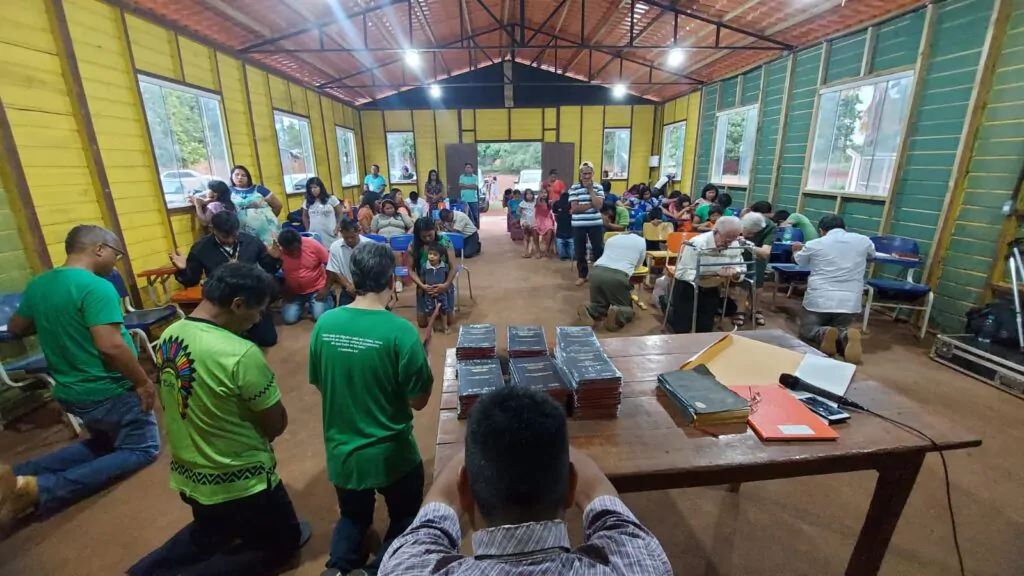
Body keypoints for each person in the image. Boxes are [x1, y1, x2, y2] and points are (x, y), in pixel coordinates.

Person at [128, 263, 309, 575]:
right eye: (259, 311)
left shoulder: (171, 334)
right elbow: (274, 424)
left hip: (190, 474)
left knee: (209, 531)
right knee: (282, 542)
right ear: (237, 305)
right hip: (240, 479)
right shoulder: (239, 352)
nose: (259, 319)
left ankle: (142, 571)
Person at [379, 386, 672, 575]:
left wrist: (482, 446)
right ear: (570, 488)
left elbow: (434, 515)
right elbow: (602, 498)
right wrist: (548, 444)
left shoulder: (405, 567)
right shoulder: (640, 564)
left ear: (466, 491)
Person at [0, 225, 159, 532]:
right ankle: (40, 490)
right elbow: (110, 345)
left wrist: (57, 323)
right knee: (142, 449)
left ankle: (16, 476)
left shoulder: (39, 285)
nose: (116, 260)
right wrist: (142, 381)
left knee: (103, 442)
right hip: (109, 389)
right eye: (116, 253)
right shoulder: (96, 287)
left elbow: (18, 328)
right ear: (99, 249)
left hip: (72, 391)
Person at [309, 241, 434, 576]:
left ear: (354, 276)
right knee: (406, 517)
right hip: (391, 453)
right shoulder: (400, 332)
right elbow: (418, 400)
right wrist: (422, 359)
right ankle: (376, 570)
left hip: (343, 453)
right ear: (391, 279)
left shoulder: (324, 325)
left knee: (353, 516)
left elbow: (322, 383)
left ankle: (337, 569)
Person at [170, 212, 282, 347]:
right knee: (224, 344)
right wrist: (182, 269)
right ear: (212, 229)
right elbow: (192, 280)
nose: (230, 240)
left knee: (268, 340)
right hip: (221, 302)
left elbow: (269, 267)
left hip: (250, 298)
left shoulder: (251, 242)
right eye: (224, 236)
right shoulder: (200, 248)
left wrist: (274, 258)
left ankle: (245, 331)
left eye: (233, 236)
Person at [793, 215, 873, 363]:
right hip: (850, 300)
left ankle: (822, 333)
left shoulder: (814, 244)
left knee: (807, 329)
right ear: (845, 228)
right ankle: (845, 335)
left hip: (820, 298)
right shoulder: (863, 240)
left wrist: (796, 250)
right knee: (840, 326)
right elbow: (872, 254)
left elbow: (800, 261)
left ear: (821, 231)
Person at [667, 215, 746, 334]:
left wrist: (735, 274)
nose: (729, 244)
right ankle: (666, 302)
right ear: (715, 231)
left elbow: (741, 269)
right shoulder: (697, 244)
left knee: (704, 330)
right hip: (688, 287)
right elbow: (681, 273)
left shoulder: (734, 244)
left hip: (712, 289)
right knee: (681, 329)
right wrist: (714, 273)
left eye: (733, 239)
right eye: (726, 240)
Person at [577, 232, 646, 332]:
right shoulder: (641, 241)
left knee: (599, 304)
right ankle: (618, 312)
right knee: (627, 308)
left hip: (596, 272)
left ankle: (589, 308)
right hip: (618, 276)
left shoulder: (612, 239)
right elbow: (639, 264)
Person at [408, 218, 457, 330]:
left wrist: (445, 285)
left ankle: (443, 308)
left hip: (444, 284)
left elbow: (454, 267)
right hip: (424, 285)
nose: (427, 238)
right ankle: (434, 309)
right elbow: (410, 270)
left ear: (435, 229)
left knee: (450, 321)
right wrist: (422, 286)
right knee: (422, 323)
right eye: (423, 236)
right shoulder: (413, 245)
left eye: (430, 235)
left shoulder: (445, 241)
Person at [278, 228, 333, 325]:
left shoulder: (313, 245)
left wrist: (326, 287)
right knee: (289, 319)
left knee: (319, 316)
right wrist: (286, 290)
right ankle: (307, 306)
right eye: (290, 251)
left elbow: (330, 265)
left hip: (317, 288)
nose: (294, 253)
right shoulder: (280, 251)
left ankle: (327, 300)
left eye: (296, 249)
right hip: (295, 292)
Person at [569, 161, 606, 286]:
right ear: (580, 174)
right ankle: (582, 275)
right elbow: (574, 208)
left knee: (598, 250)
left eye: (589, 173)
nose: (586, 176)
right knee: (580, 251)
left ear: (593, 174)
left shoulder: (598, 187)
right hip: (578, 225)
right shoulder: (574, 188)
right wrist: (592, 205)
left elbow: (599, 206)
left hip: (595, 223)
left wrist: (591, 191)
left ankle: (599, 275)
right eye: (584, 173)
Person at [228, 164, 283, 246]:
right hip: (243, 232)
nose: (240, 177)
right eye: (237, 175)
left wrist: (267, 219)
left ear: (248, 178)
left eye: (243, 175)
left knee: (273, 252)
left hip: (268, 231)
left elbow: (277, 205)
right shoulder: (228, 191)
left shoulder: (259, 189)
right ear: (232, 177)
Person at [327, 219, 371, 307]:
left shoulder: (370, 245)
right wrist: (348, 286)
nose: (349, 240)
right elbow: (335, 271)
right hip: (347, 289)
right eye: (346, 238)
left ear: (358, 231)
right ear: (341, 233)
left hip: (368, 288)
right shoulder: (335, 247)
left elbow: (373, 270)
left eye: (352, 237)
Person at [302, 176, 345, 249]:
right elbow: (305, 216)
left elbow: (340, 213)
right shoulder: (307, 202)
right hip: (315, 234)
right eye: (310, 188)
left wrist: (338, 226)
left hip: (331, 233)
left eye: (315, 187)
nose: (313, 190)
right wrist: (307, 229)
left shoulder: (331, 199)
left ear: (320, 187)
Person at [420, 243, 451, 334]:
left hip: (441, 292)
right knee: (429, 310)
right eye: (430, 254)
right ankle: (431, 328)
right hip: (428, 292)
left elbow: (447, 278)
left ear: (440, 256)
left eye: (435, 254)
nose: (432, 257)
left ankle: (445, 326)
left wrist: (445, 287)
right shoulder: (424, 266)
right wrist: (422, 287)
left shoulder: (445, 267)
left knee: (444, 309)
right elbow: (422, 278)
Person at [552, 192, 574, 261]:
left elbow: (554, 212)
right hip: (565, 235)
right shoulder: (572, 204)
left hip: (567, 235)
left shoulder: (557, 205)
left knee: (570, 256)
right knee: (570, 256)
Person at [534, 192, 556, 257]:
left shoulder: (550, 203)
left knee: (550, 230)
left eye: (545, 193)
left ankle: (547, 249)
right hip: (539, 220)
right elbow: (538, 203)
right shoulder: (537, 202)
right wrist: (539, 197)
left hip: (547, 220)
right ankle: (538, 250)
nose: (544, 194)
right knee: (534, 230)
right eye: (542, 193)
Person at [458, 163, 481, 227]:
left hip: (473, 200)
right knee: (465, 215)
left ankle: (475, 228)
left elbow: (475, 186)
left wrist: (465, 185)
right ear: (464, 169)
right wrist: (470, 186)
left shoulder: (475, 177)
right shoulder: (461, 177)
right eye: (466, 167)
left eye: (469, 167)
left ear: (472, 169)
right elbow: (460, 185)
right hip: (464, 199)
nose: (467, 169)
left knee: (474, 216)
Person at [518, 189, 538, 258]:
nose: (529, 196)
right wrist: (523, 215)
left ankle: (529, 251)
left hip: (533, 221)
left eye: (531, 194)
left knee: (533, 236)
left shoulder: (535, 202)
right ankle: (525, 251)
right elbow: (518, 211)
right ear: (525, 196)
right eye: (527, 194)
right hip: (525, 220)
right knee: (526, 236)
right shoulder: (523, 203)